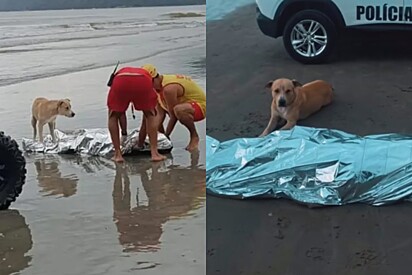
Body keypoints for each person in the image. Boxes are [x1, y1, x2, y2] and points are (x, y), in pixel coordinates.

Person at [106, 63, 166, 163]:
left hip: (121, 80)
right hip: (143, 80)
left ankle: (118, 154)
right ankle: (154, 153)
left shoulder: (120, 72)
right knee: (150, 114)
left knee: (113, 115)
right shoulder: (146, 74)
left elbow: (119, 113)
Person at [137, 67, 206, 151]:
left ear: (154, 79)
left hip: (200, 107)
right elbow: (159, 116)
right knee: (154, 115)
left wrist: (166, 136)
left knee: (178, 110)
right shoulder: (157, 88)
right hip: (184, 105)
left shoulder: (168, 89)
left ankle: (194, 136)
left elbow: (173, 116)